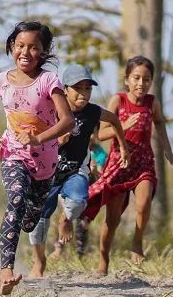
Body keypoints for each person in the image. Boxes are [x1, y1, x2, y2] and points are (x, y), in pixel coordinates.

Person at [0, 21, 75, 294]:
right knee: (15, 199)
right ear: (12, 46)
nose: (25, 52)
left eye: (33, 47)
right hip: (13, 154)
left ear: (44, 51)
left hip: (46, 164)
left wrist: (38, 138)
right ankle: (6, 272)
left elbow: (68, 121)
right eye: (20, 45)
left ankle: (29, 222)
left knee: (29, 220)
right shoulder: (1, 81)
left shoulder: (49, 81)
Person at [79, 55, 173, 275]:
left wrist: (167, 148)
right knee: (112, 221)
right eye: (136, 78)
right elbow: (102, 134)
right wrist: (122, 125)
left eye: (146, 79)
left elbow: (160, 122)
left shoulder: (153, 103)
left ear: (151, 81)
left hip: (144, 162)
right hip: (119, 164)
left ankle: (137, 242)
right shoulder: (118, 101)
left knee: (143, 204)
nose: (141, 84)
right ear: (126, 79)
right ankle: (103, 259)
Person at [28, 64, 130, 276]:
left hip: (76, 171)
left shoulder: (92, 112)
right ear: (65, 89)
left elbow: (114, 119)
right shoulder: (51, 109)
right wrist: (56, 140)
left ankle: (65, 220)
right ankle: (39, 261)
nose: (84, 94)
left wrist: (122, 146)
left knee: (77, 203)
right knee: (38, 219)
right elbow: (33, 136)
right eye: (78, 88)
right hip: (47, 173)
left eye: (88, 89)